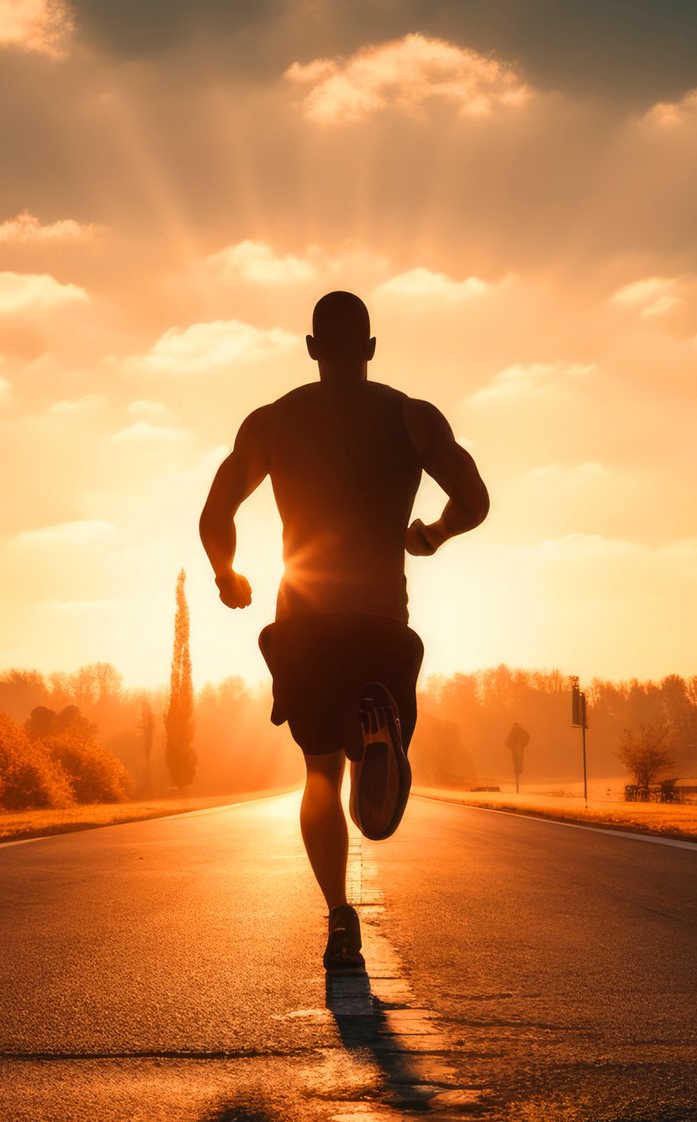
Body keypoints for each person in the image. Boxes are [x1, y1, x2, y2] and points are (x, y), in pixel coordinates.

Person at [198, 290, 491, 973]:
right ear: (370, 348)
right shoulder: (412, 417)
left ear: (310, 349)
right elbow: (474, 497)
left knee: (320, 775)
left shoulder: (273, 422)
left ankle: (337, 915)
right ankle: (376, 726)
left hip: (305, 622)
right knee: (363, 742)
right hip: (380, 619)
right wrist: (434, 533)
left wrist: (227, 576)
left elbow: (216, 511)